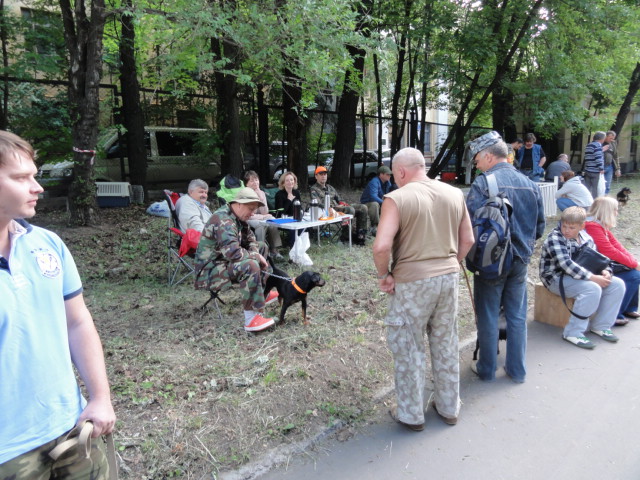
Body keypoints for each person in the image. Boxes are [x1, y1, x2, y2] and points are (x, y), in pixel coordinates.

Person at [0, 131, 116, 477]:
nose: (37, 187)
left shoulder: (47, 244)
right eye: (21, 178)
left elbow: (77, 322)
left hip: (72, 428)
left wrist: (100, 397)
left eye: (34, 176)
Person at [373, 147, 474, 431]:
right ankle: (449, 408)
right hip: (449, 277)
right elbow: (468, 239)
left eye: (396, 175)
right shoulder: (454, 193)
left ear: (401, 171)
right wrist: (451, 263)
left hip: (411, 282)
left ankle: (411, 414)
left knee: (409, 346)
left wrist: (384, 275)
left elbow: (381, 246)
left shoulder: (396, 198)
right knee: (446, 342)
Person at [466, 131, 545, 383]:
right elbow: (540, 228)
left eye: (478, 159)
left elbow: (469, 227)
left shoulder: (483, 184)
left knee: (488, 314)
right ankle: (517, 370)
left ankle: (487, 369)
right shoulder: (530, 183)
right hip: (520, 261)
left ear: (489, 156)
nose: (477, 164)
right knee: (517, 315)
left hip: (491, 262)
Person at [195, 187, 279, 332]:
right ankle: (251, 319)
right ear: (239, 204)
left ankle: (261, 293)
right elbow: (233, 253)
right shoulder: (223, 220)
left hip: (223, 262)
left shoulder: (238, 216)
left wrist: (255, 252)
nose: (252, 213)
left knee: (262, 246)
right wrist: (255, 257)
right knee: (250, 265)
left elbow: (251, 240)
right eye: (250, 209)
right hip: (208, 271)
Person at [539, 206, 625, 348]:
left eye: (571, 227)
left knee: (617, 284)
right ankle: (573, 332)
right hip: (555, 278)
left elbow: (596, 259)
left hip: (579, 276)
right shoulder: (554, 238)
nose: (566, 230)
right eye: (564, 226)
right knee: (592, 289)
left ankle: (601, 326)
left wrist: (605, 270)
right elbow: (566, 265)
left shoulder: (586, 237)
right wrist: (593, 278)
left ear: (582, 226)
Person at [584, 196, 640, 325]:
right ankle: (614, 314)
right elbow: (609, 251)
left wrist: (633, 261)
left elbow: (617, 246)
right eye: (615, 210)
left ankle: (629, 308)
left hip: (600, 264)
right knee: (634, 276)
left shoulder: (599, 225)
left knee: (634, 272)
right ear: (607, 211)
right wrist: (634, 264)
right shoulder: (592, 226)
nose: (616, 213)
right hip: (592, 268)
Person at [310, 166, 369, 241]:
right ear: (316, 176)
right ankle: (346, 237)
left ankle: (361, 236)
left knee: (363, 207)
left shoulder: (330, 188)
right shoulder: (314, 189)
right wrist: (334, 206)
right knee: (350, 210)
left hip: (339, 208)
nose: (323, 176)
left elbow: (340, 199)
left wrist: (342, 204)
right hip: (328, 211)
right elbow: (317, 204)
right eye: (321, 174)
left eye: (325, 174)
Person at [244, 170, 283, 260]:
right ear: (247, 184)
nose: (255, 182)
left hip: (259, 217)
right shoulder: (245, 194)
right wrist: (263, 217)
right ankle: (260, 250)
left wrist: (260, 197)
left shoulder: (261, 192)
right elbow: (249, 214)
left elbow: (265, 212)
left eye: (256, 180)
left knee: (272, 221)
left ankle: (274, 250)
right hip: (247, 218)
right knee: (261, 225)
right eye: (252, 181)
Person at [359, 165, 392, 233]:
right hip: (367, 203)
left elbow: (390, 194)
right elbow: (373, 196)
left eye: (390, 175)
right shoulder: (374, 182)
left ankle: (389, 225)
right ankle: (375, 226)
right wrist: (385, 202)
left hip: (379, 202)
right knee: (374, 204)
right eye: (387, 174)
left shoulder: (387, 182)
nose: (390, 176)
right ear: (381, 174)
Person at [274, 171, 302, 247]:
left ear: (294, 181)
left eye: (291, 180)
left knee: (304, 227)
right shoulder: (279, 194)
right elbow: (280, 213)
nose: (290, 182)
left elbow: (300, 207)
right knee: (294, 228)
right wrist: (289, 200)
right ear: (283, 183)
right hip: (283, 219)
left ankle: (300, 246)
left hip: (295, 218)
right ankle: (292, 247)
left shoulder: (296, 193)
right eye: (287, 180)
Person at [582, 131, 607, 199]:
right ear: (602, 138)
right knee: (596, 189)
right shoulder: (598, 145)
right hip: (595, 171)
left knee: (587, 188)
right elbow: (598, 157)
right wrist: (601, 168)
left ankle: (587, 201)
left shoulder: (589, 145)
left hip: (588, 169)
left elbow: (590, 156)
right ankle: (595, 202)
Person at [603, 130, 621, 194]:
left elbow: (616, 156)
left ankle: (605, 198)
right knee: (600, 186)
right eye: (610, 138)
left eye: (613, 138)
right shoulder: (600, 142)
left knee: (607, 186)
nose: (611, 140)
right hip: (600, 167)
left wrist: (618, 169)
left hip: (609, 166)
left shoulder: (613, 143)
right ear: (606, 136)